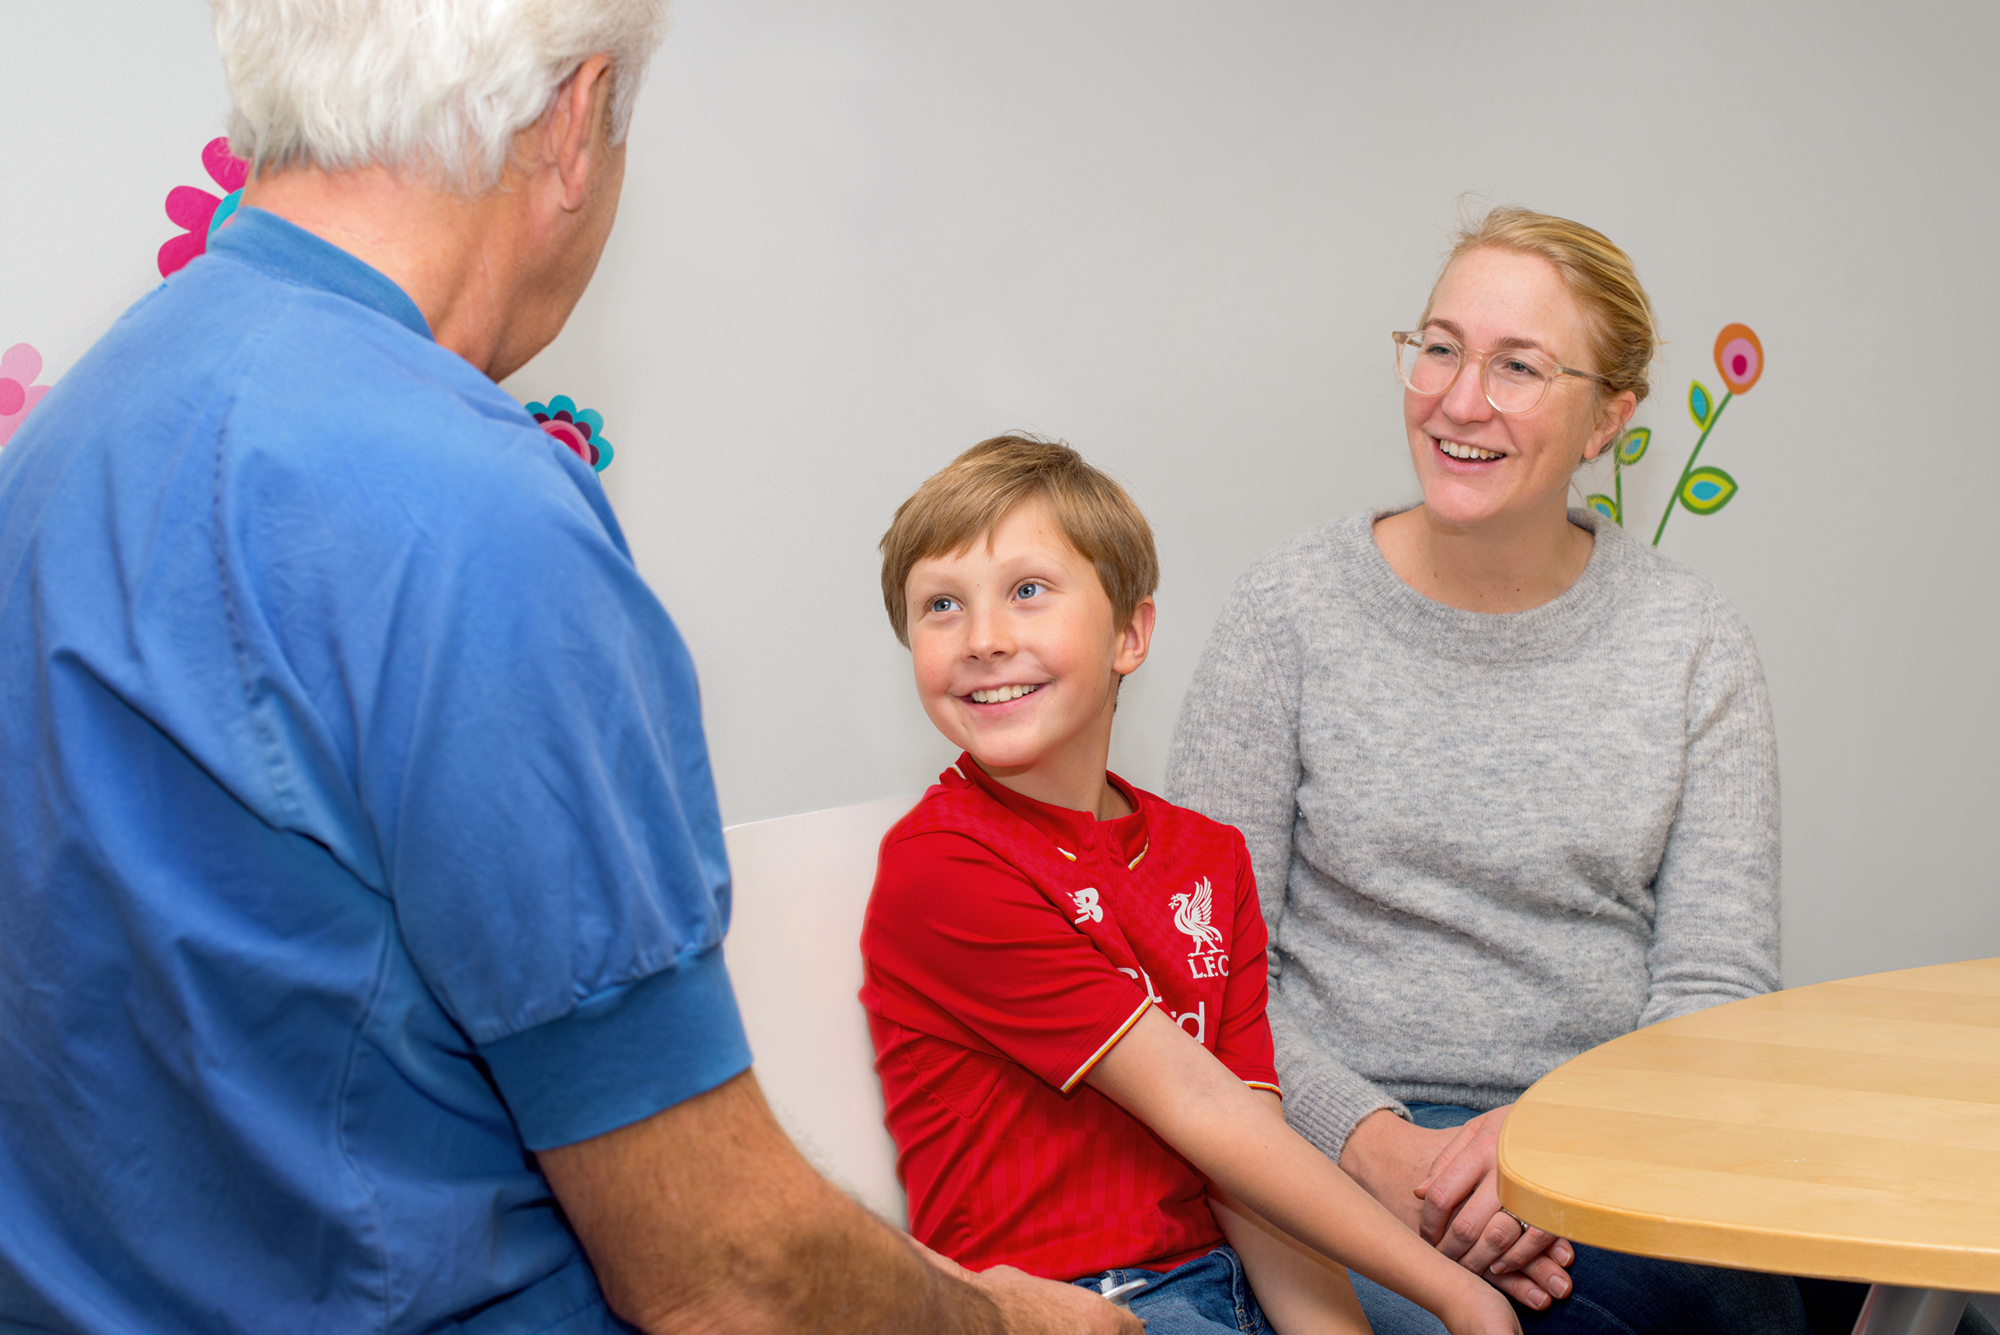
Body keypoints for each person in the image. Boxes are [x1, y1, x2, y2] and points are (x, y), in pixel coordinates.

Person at [0, 5, 1134, 1333]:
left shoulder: (76, 433)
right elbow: (725, 1270)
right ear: (576, 119)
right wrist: (1008, 1320)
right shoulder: (471, 511)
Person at [1163, 206, 1991, 1335]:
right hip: (1343, 1155)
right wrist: (1375, 1147)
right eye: (1439, 347)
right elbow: (1205, 974)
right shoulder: (1285, 615)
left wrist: (1556, 1137)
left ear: (1607, 418)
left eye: (1517, 367)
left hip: (1617, 1136)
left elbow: (1712, 992)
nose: (1459, 399)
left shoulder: (1691, 642)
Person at [860, 435, 1530, 1335]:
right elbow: (1201, 1104)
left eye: (1026, 590)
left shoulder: (1206, 858)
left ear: (1130, 634)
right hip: (1075, 1307)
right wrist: (1456, 1291)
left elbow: (1248, 1167)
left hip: (1213, 1283)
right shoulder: (944, 863)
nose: (983, 638)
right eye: (941, 605)